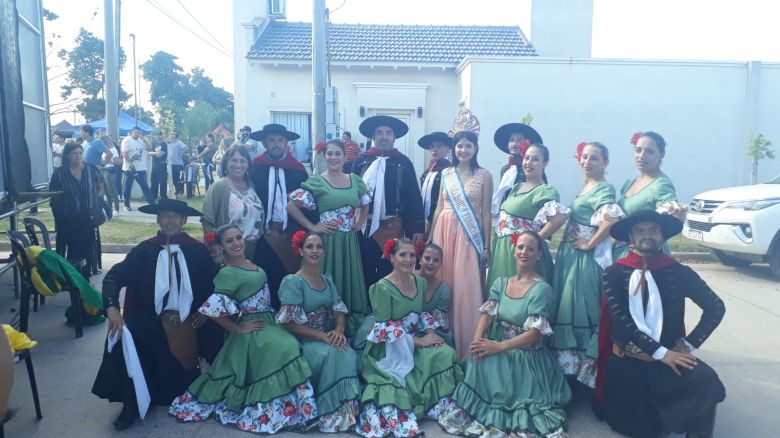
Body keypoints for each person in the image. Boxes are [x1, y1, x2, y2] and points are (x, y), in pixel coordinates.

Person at [169, 224, 317, 434]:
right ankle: (289, 410)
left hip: (269, 321)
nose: (237, 243)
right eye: (229, 241)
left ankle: (298, 411)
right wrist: (237, 329)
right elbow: (212, 310)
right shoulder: (227, 273)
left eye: (239, 237)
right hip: (253, 326)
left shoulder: (250, 264)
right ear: (221, 246)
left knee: (290, 345)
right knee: (287, 347)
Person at [92, 199, 224, 431]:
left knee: (213, 336)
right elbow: (114, 277)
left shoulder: (197, 250)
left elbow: (217, 285)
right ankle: (131, 403)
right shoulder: (145, 250)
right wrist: (112, 308)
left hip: (190, 319)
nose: (170, 221)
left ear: (184, 221)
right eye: (165, 215)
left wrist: (207, 309)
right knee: (127, 332)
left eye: (176, 216)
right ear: (158, 219)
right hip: (151, 320)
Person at [594, 211, 726, 438]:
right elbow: (623, 322)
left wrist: (688, 344)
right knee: (645, 430)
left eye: (653, 230)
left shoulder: (679, 272)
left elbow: (716, 307)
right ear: (630, 237)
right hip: (630, 360)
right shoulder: (614, 273)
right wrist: (660, 352)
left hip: (670, 359)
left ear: (662, 236)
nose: (647, 235)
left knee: (706, 380)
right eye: (640, 230)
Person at [439, 231, 571, 438]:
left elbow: (534, 335)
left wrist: (497, 346)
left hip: (526, 355)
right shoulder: (501, 283)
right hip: (501, 344)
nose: (524, 252)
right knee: (478, 356)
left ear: (539, 255)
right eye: (520, 247)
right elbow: (487, 314)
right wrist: (477, 339)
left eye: (530, 248)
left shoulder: (541, 289)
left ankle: (504, 407)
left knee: (490, 360)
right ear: (513, 250)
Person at [356, 238, 463, 438]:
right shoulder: (382, 287)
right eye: (402, 254)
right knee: (395, 377)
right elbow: (384, 328)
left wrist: (430, 332)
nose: (408, 259)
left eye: (412, 255)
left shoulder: (420, 282)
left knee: (445, 353)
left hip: (414, 336)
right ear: (391, 258)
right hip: (389, 347)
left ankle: (436, 407)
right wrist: (419, 342)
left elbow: (420, 315)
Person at [550, 142, 624, 388]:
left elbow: (611, 218)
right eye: (584, 157)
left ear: (605, 162)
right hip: (570, 257)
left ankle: (588, 375)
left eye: (594, 158)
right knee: (568, 307)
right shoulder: (587, 187)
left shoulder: (604, 188)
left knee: (582, 308)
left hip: (583, 261)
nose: (587, 162)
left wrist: (591, 243)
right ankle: (570, 372)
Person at [275, 231, 361, 433]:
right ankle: (327, 411)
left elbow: (338, 308)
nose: (315, 250)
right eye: (310, 246)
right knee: (332, 353)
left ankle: (345, 411)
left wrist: (339, 329)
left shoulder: (327, 280)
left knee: (346, 351)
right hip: (304, 341)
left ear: (324, 251)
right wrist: (322, 336)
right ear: (300, 251)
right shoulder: (293, 282)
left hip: (327, 335)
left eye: (319, 247)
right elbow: (288, 324)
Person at [287, 140, 370, 335]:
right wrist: (312, 227)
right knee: (327, 278)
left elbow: (365, 203)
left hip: (349, 243)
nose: (333, 158)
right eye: (329, 154)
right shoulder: (317, 181)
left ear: (344, 156)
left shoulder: (354, 180)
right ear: (324, 157)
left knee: (348, 283)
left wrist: (360, 221)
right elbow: (291, 205)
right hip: (328, 243)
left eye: (337, 154)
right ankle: (325, 328)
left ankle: (347, 330)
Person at [429, 130, 493, 359]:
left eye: (468, 146)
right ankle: (440, 347)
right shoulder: (446, 173)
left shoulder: (484, 175)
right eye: (459, 146)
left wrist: (486, 245)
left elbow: (486, 212)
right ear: (453, 149)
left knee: (466, 288)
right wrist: (429, 238)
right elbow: (438, 206)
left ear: (475, 148)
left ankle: (468, 346)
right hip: (444, 232)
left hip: (469, 237)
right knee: (442, 283)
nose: (463, 150)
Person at [351, 116, 425, 289]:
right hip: (364, 226)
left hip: (393, 227)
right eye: (379, 133)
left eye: (388, 133)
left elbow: (413, 197)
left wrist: (417, 229)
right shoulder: (361, 160)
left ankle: (389, 309)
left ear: (394, 137)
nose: (384, 137)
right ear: (372, 137)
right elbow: (351, 192)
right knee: (364, 270)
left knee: (389, 271)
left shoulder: (403, 162)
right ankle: (366, 311)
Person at [487, 143, 568, 287]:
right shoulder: (516, 188)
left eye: (535, 159)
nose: (529, 163)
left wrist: (535, 240)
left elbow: (559, 217)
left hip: (521, 254)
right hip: (502, 249)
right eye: (526, 158)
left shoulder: (544, 191)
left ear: (545, 163)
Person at [249, 123, 312, 306]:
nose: (276, 144)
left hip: (291, 233)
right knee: (266, 279)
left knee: (291, 279)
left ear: (286, 143)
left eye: (280, 140)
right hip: (264, 235)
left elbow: (308, 203)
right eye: (272, 140)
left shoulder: (298, 170)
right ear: (264, 143)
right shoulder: (255, 168)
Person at [614, 131, 687, 260]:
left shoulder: (661, 184)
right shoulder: (630, 183)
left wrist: (650, 243)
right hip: (623, 254)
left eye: (650, 151)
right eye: (638, 150)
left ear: (661, 155)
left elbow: (675, 218)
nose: (642, 156)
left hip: (647, 256)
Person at [49, 142, 103, 275]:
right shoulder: (60, 173)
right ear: (67, 156)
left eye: (80, 153)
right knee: (74, 249)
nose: (78, 156)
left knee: (89, 248)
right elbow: (54, 195)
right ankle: (74, 276)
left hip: (88, 217)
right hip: (69, 218)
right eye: (74, 153)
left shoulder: (90, 169)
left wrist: (95, 197)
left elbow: (100, 184)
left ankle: (86, 275)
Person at [201, 145, 265, 259]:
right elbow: (207, 221)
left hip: (255, 249)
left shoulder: (251, 185)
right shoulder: (219, 187)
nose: (238, 165)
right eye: (234, 160)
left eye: (243, 161)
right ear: (226, 163)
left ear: (248, 164)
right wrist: (216, 250)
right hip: (230, 251)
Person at [490, 122, 544, 218]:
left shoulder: (533, 168)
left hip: (527, 217)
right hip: (507, 217)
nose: (514, 144)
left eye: (519, 140)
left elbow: (542, 195)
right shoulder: (506, 170)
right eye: (512, 140)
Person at [413, 242, 454, 347]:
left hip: (430, 331)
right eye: (427, 258)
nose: (431, 263)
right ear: (420, 259)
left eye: (436, 260)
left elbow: (439, 325)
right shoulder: (407, 278)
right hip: (404, 330)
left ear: (441, 264)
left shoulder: (443, 291)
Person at [417, 131, 452, 237]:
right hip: (425, 219)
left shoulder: (450, 171)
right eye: (431, 146)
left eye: (439, 146)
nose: (434, 150)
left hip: (442, 217)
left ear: (447, 149)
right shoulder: (428, 171)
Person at [121, 127, 157, 211]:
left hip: (141, 168)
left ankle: (152, 204)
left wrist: (145, 140)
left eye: (138, 133)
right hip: (129, 168)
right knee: (127, 187)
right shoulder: (126, 140)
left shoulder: (141, 141)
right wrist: (130, 163)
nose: (137, 134)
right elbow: (124, 153)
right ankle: (126, 204)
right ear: (132, 132)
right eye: (135, 132)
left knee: (145, 186)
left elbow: (149, 149)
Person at [100, 134, 122, 215]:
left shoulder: (113, 149)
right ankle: (109, 208)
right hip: (104, 170)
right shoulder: (105, 150)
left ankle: (116, 209)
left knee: (112, 190)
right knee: (107, 191)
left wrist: (105, 160)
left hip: (109, 170)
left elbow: (116, 161)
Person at [168, 131, 188, 198]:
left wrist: (181, 154)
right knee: (173, 179)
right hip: (171, 164)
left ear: (175, 136)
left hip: (178, 164)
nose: (171, 135)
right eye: (171, 134)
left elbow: (185, 148)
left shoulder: (179, 142)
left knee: (178, 179)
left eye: (172, 134)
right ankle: (177, 191)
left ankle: (178, 192)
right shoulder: (169, 143)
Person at [149, 131, 168, 200]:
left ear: (162, 135)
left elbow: (161, 154)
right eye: (156, 135)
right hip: (154, 164)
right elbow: (149, 153)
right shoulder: (154, 144)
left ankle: (163, 196)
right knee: (154, 180)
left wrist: (155, 153)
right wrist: (155, 153)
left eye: (159, 135)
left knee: (163, 181)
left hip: (162, 164)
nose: (158, 136)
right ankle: (153, 195)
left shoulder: (165, 144)